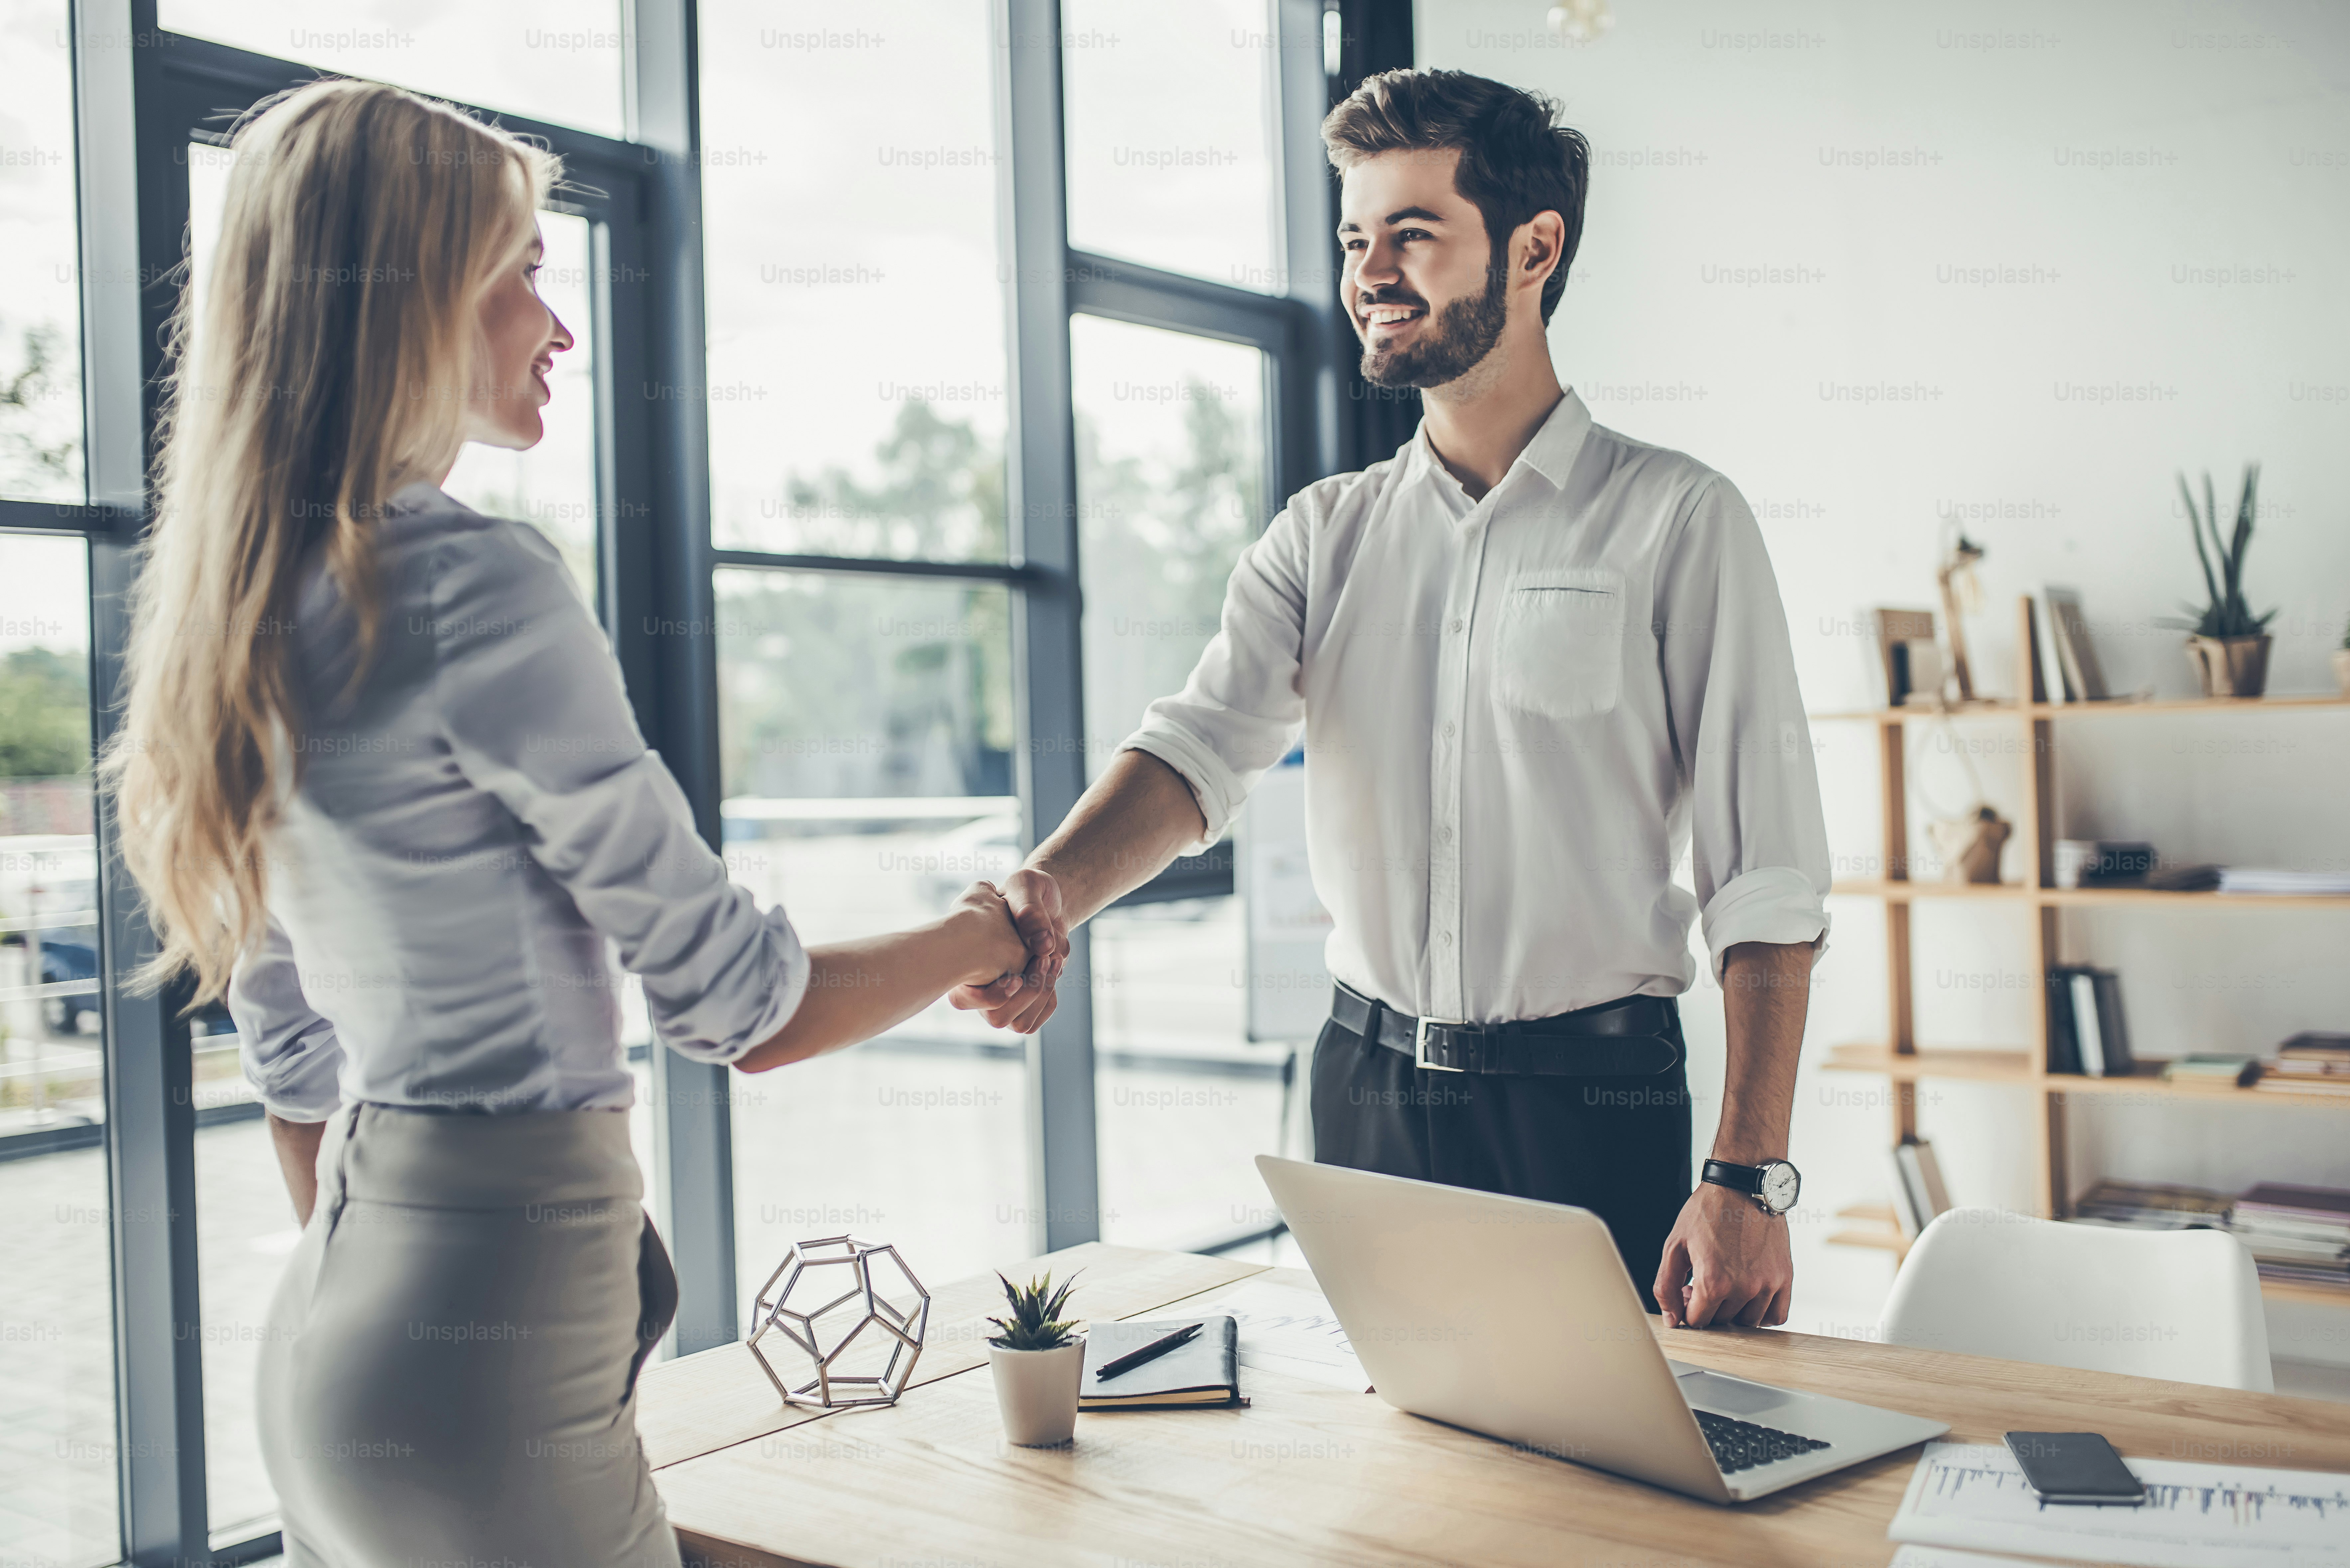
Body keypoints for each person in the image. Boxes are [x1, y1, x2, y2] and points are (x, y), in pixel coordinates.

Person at [101, 80, 1035, 1567]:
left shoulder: (239, 606)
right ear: (412, 295)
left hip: (335, 1347)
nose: (561, 320)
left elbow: (295, 1069)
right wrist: (991, 930)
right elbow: (741, 1004)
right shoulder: (477, 583)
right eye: (525, 268)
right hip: (481, 1376)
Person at [956, 68, 1831, 1331]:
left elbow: (1765, 880)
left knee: (1602, 1498)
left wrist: (1748, 1176)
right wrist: (1049, 887)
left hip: (1591, 1099)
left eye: (1413, 234)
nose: (1371, 270)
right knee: (1399, 1485)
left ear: (1535, 251)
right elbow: (1197, 751)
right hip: (1364, 1092)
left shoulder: (1680, 520)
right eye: (1357, 238)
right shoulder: (1325, 534)